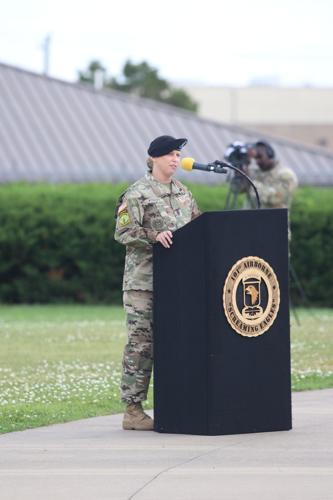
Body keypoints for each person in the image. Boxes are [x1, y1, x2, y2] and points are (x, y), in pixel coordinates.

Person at [114, 135, 201, 431]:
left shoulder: (184, 193)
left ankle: (178, 404)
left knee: (179, 341)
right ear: (153, 158)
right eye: (170, 155)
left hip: (178, 283)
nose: (175, 160)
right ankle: (133, 410)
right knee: (142, 344)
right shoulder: (136, 193)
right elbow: (123, 234)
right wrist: (154, 236)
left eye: (178, 154)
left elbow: (199, 230)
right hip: (143, 284)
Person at [242, 140, 298, 210]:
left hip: (275, 219)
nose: (257, 161)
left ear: (270, 154)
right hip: (250, 220)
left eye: (259, 156)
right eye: (255, 158)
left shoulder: (286, 174)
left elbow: (275, 198)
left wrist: (251, 182)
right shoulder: (254, 172)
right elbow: (238, 189)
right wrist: (241, 169)